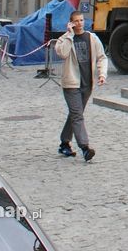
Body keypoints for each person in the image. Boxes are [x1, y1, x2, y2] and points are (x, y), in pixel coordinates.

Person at [52, 11, 108, 161]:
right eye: (76, 21)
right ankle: (85, 148)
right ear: (71, 22)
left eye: (81, 20)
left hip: (87, 83)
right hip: (71, 84)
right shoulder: (63, 39)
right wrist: (69, 35)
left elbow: (102, 57)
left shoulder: (92, 38)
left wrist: (102, 74)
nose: (79, 23)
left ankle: (64, 143)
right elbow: (62, 54)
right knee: (77, 115)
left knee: (75, 114)